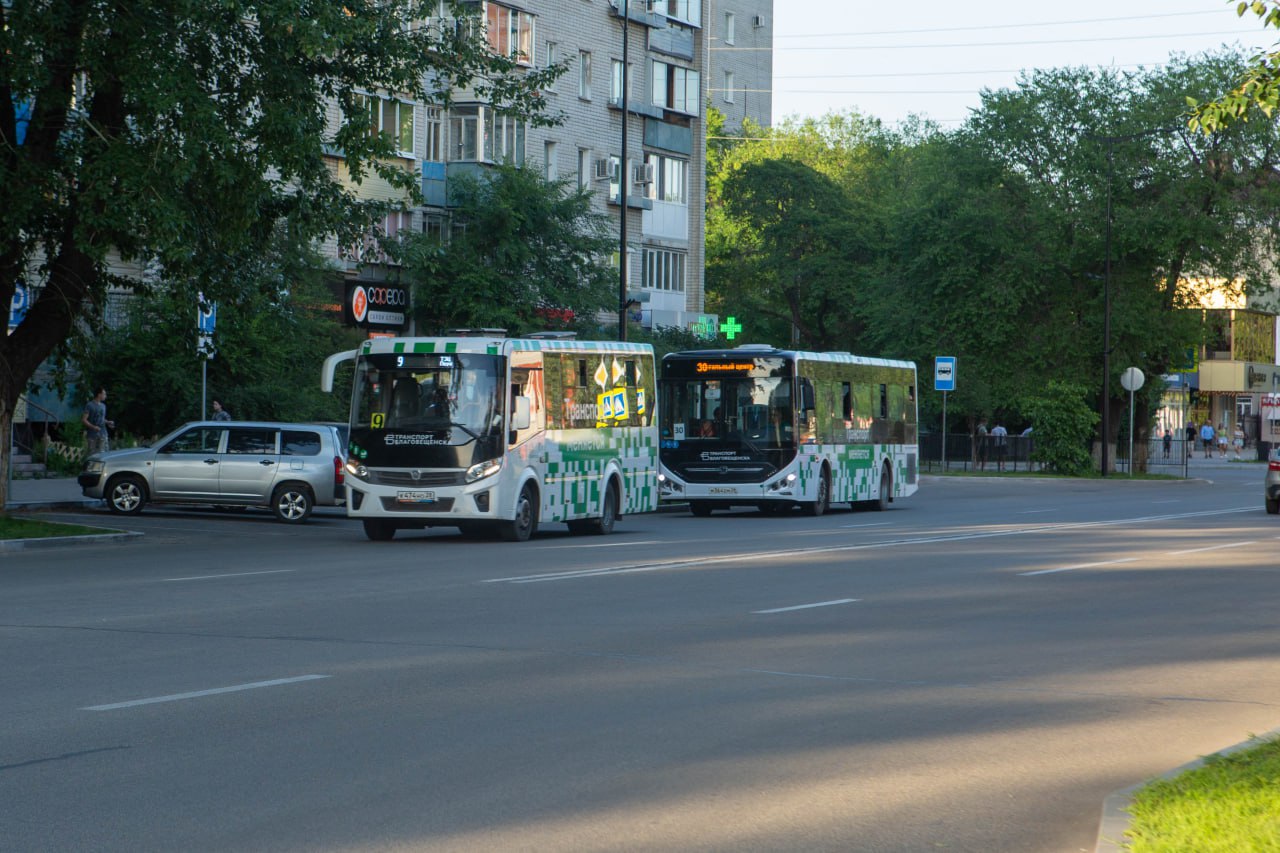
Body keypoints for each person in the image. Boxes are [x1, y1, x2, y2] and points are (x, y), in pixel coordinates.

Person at [81, 387, 115, 455]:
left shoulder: (103, 406)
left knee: (104, 454)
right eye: (104, 394)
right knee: (93, 455)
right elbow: (84, 420)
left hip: (103, 434)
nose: (105, 396)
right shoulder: (89, 405)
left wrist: (108, 422)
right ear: (99, 395)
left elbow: (101, 419)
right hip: (92, 435)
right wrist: (93, 427)